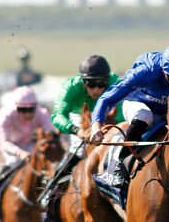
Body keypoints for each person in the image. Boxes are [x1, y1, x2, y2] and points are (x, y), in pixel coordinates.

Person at [88, 43, 169, 187]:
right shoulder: (146, 70)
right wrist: (96, 125)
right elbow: (107, 98)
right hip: (138, 104)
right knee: (145, 115)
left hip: (167, 108)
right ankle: (119, 165)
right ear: (164, 71)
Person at [43, 55, 121, 195]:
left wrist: (106, 128)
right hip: (80, 115)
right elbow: (57, 115)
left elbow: (122, 115)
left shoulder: (116, 83)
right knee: (79, 150)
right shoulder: (71, 87)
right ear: (83, 82)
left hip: (107, 117)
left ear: (107, 81)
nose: (96, 89)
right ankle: (53, 192)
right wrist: (76, 130)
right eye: (91, 84)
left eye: (101, 83)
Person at [0, 86, 56, 214]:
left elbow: (51, 136)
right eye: (23, 110)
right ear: (16, 107)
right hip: (12, 147)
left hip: (31, 145)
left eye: (31, 110)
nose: (27, 114)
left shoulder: (42, 113)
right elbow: (3, 142)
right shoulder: (6, 114)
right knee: (14, 162)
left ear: (36, 107)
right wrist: (19, 153)